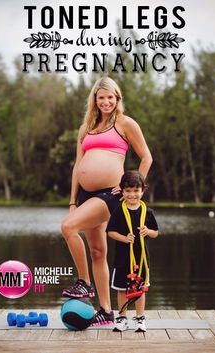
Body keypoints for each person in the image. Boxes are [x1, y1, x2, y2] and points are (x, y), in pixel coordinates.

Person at [61, 76, 153, 326]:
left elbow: (146, 157)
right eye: (101, 97)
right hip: (86, 195)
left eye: (110, 97)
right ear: (95, 100)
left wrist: (131, 189)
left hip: (110, 195)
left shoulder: (125, 124)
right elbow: (77, 166)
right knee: (97, 251)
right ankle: (106, 311)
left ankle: (84, 283)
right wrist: (72, 201)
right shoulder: (86, 127)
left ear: (117, 98)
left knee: (68, 227)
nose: (105, 102)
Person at [107, 171, 159, 332]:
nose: (132, 195)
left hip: (141, 260)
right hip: (122, 259)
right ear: (122, 191)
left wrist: (147, 231)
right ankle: (122, 318)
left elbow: (156, 232)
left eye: (136, 190)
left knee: (139, 289)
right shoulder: (119, 210)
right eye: (128, 191)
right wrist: (124, 238)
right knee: (122, 289)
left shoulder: (147, 212)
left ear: (142, 190)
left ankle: (140, 318)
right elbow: (110, 231)